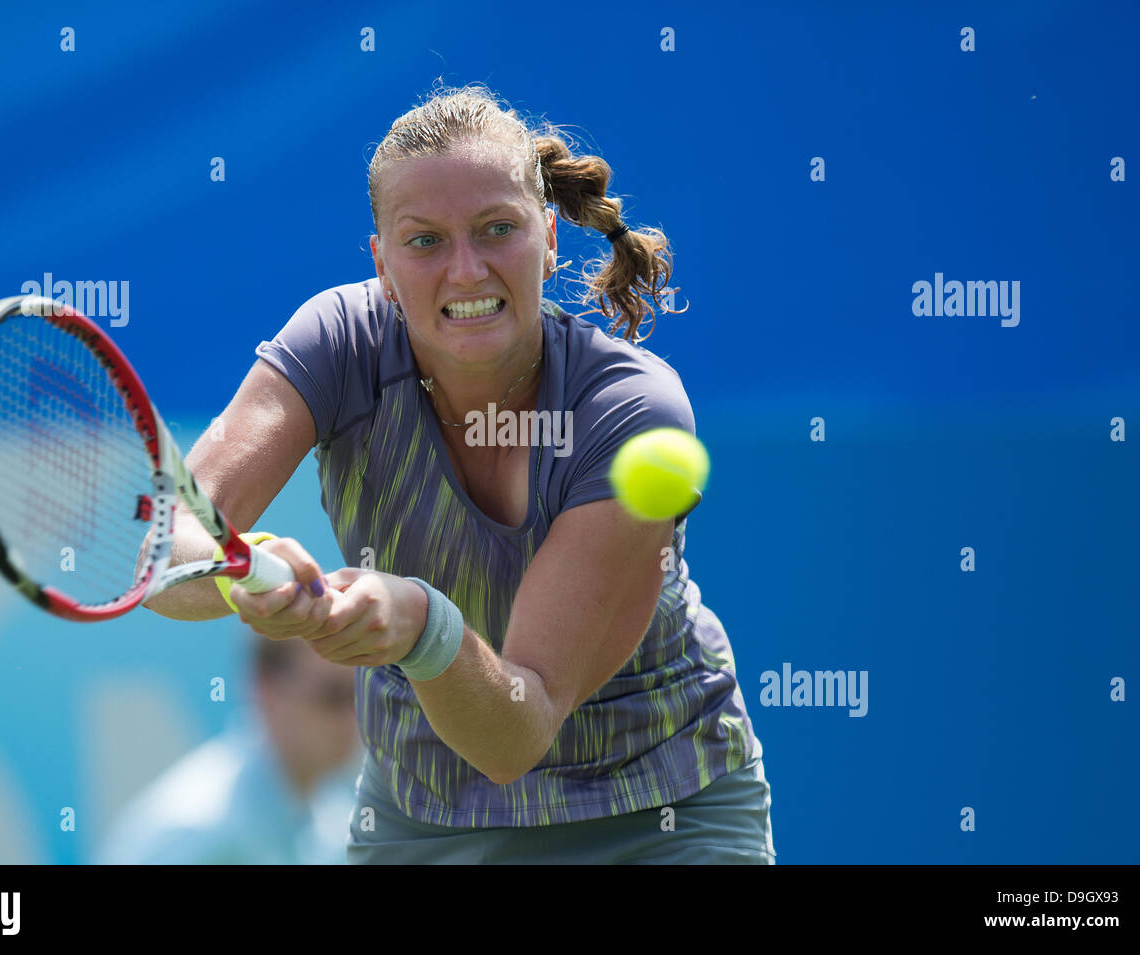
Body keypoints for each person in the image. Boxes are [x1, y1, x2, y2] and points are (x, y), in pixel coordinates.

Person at [144, 83, 775, 864]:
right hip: (425, 817)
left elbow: (517, 729)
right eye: (424, 241)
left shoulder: (632, 411)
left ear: (548, 237)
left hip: (662, 816)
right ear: (381, 262)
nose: (466, 271)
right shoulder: (336, 343)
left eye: (496, 229)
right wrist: (245, 577)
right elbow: (171, 545)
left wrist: (417, 622)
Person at [96, 634, 361, 864]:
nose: (355, 720)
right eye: (333, 696)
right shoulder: (196, 830)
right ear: (265, 688)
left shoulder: (332, 810)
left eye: (361, 695)